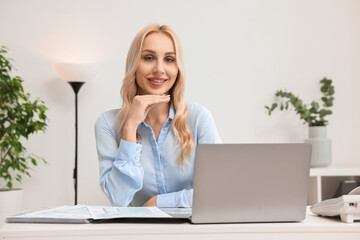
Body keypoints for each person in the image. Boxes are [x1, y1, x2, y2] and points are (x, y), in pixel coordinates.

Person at [94, 24, 221, 208]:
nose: (159, 69)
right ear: (134, 65)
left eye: (169, 59)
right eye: (148, 58)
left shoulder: (199, 118)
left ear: (178, 68)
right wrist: (130, 128)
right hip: (138, 233)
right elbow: (118, 199)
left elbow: (219, 190)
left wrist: (159, 203)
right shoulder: (108, 123)